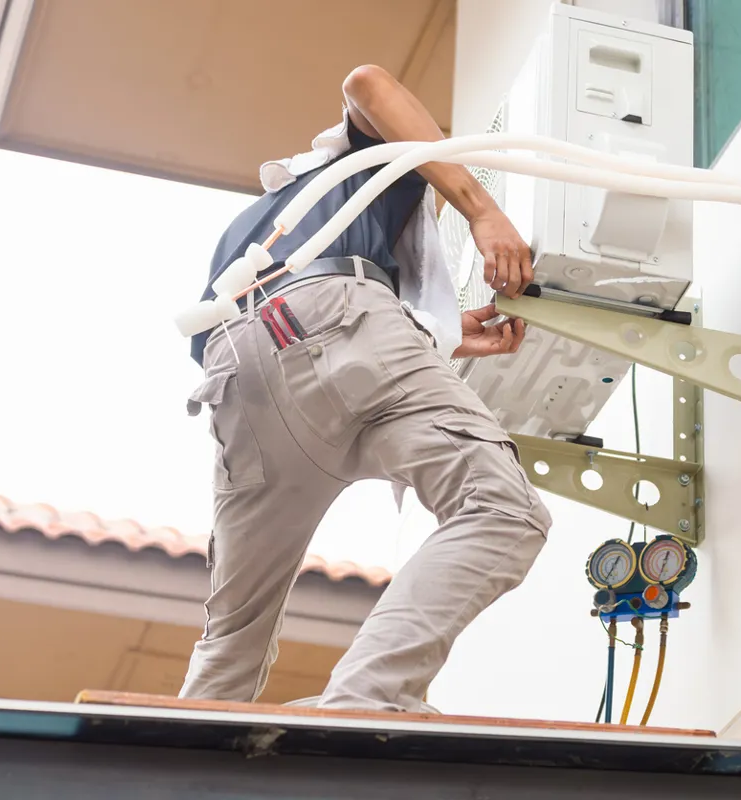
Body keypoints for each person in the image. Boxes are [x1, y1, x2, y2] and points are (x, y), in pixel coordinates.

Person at [178, 65, 553, 712]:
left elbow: (299, 336)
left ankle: (178, 760)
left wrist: (443, 335)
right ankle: (366, 700)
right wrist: (484, 209)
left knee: (235, 629)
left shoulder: (281, 223)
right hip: (341, 326)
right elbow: (369, 83)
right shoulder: (360, 163)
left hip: (239, 375)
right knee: (500, 509)